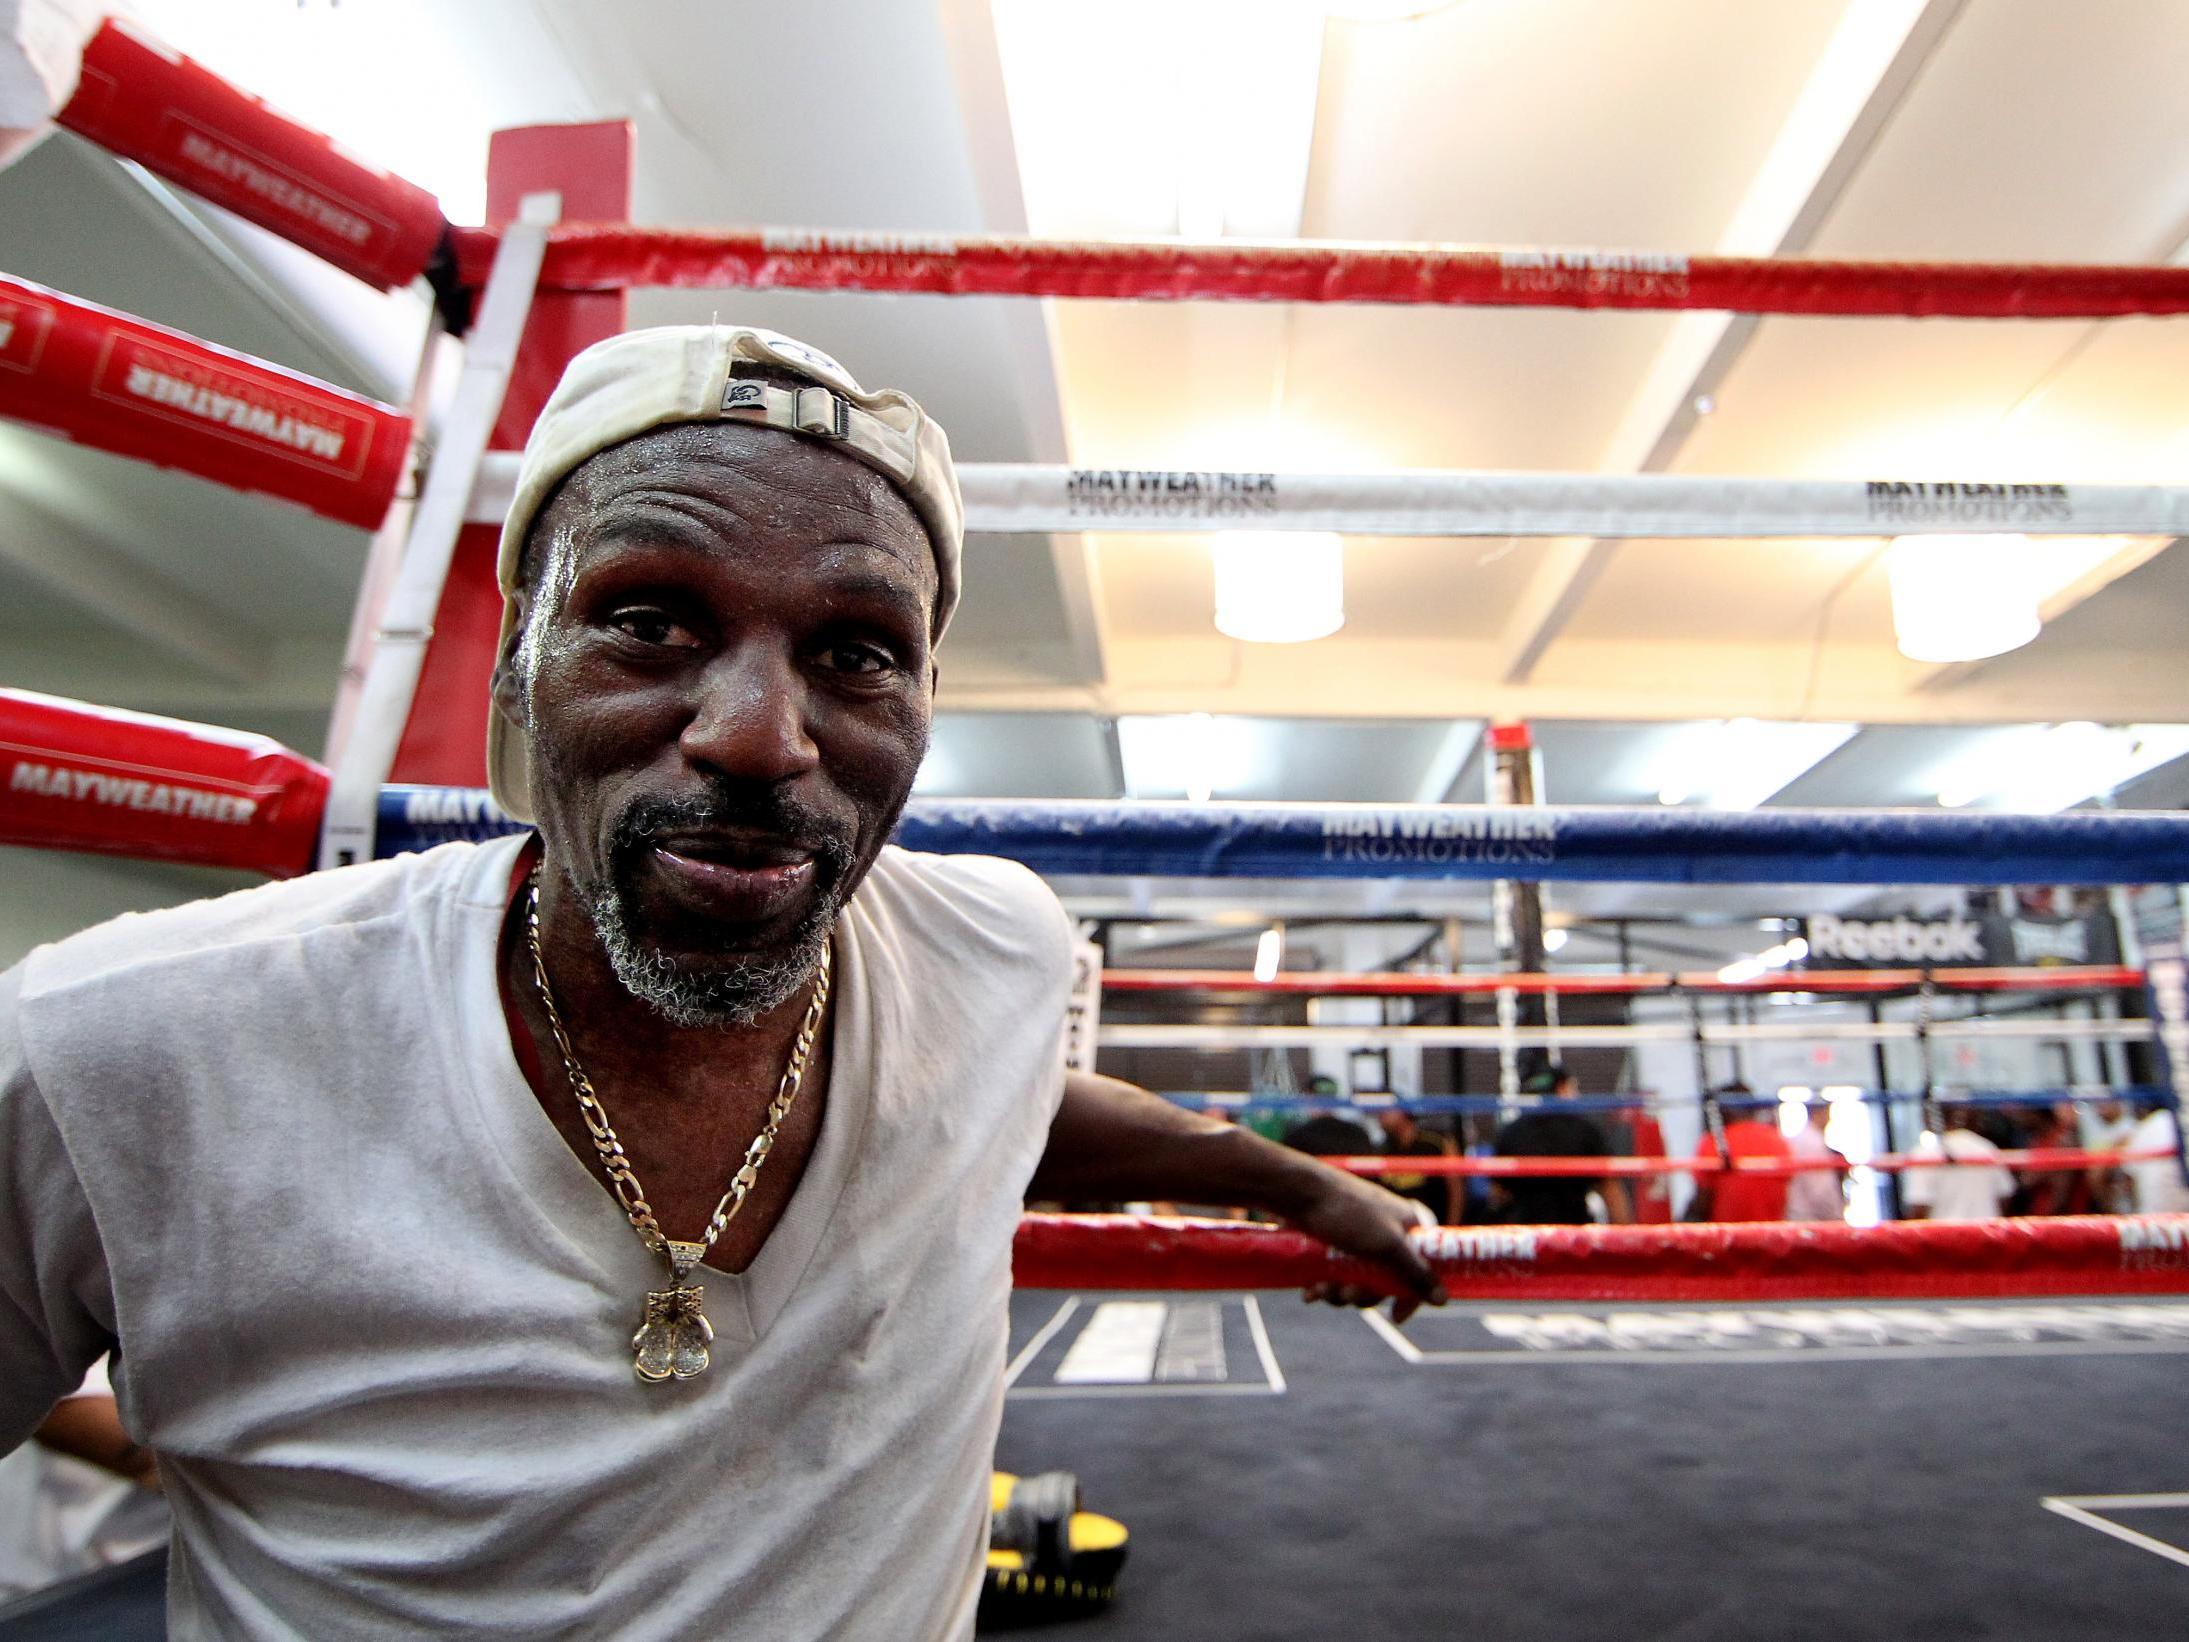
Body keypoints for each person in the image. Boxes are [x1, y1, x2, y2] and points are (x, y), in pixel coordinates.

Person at [0, 325, 1440, 1639]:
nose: (756, 737)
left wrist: (1289, 1179)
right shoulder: (128, 1049)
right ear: (519, 664)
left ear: (926, 705)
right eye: (650, 621)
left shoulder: (994, 949)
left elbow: (1008, 1093)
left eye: (858, 651)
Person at [1487, 1065, 1634, 1226]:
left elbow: (1498, 1195)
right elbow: (1611, 1191)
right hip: (1573, 1236)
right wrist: (1625, 1241)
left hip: (1527, 1237)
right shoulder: (1584, 1130)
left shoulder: (1511, 1133)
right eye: (1572, 1088)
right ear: (1562, 1088)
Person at [1687, 1083, 1793, 1223]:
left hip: (1727, 1238)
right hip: (1772, 1236)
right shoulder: (1778, 1141)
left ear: (1724, 1110)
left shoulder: (1715, 1143)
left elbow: (1702, 1202)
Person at [1900, 1103, 2017, 1221]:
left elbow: (1918, 1206)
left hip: (1942, 1235)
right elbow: (2005, 1196)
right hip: (1985, 1232)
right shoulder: (1986, 1147)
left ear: (1930, 1117)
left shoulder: (1924, 1153)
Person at [1373, 1105, 1456, 1225]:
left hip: (1435, 1225)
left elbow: (1455, 1190)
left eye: (1388, 1109)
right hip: (1396, 1228)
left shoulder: (1435, 1143)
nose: (1381, 1114)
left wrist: (1452, 1227)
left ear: (1403, 1112)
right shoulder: (1382, 1151)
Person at [1781, 1098, 1848, 1223]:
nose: (1830, 1120)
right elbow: (1820, 1189)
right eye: (1828, 1114)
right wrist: (1836, 1217)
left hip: (1799, 1214)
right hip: (1813, 1218)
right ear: (1820, 1113)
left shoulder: (1799, 1139)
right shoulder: (1813, 1143)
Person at [2120, 1099, 2189, 1214]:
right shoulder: (2173, 1123)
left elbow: (2128, 1180)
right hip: (2169, 1218)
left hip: (2151, 1219)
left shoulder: (2147, 1126)